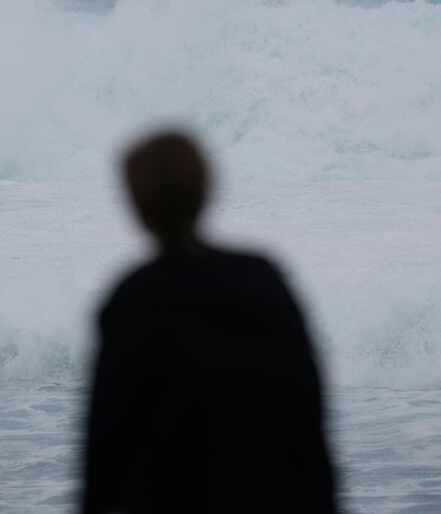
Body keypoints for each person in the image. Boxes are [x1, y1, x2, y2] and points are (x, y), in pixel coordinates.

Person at [80, 132, 338, 514]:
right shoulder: (262, 280)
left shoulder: (132, 299)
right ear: (207, 188)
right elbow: (307, 412)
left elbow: (105, 444)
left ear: (137, 205)